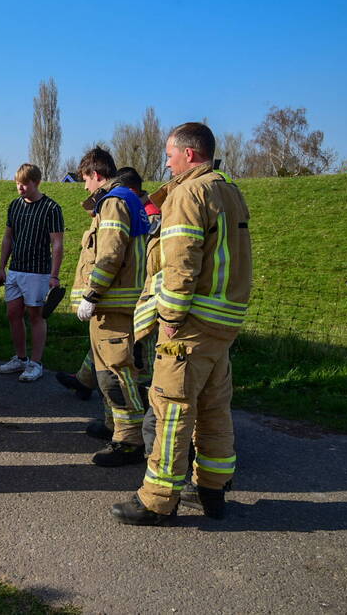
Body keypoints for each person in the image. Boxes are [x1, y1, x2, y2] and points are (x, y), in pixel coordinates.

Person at [112, 122, 252, 526]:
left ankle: (157, 501)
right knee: (214, 409)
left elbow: (181, 263)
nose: (166, 162)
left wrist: (169, 317)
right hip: (221, 322)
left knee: (172, 409)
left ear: (189, 154)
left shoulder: (189, 192)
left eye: (170, 154)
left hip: (189, 324)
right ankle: (213, 488)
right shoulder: (229, 189)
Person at [70, 148, 150, 467]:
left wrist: (92, 294)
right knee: (107, 373)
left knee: (117, 376)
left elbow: (110, 254)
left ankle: (129, 441)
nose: (85, 187)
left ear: (97, 174)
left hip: (114, 306)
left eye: (85, 180)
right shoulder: (125, 199)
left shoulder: (114, 202)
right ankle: (113, 427)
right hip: (115, 306)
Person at [0, 163, 64, 382]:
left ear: (36, 182)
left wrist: (54, 275)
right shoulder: (14, 206)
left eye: (25, 184)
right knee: (13, 313)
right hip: (15, 269)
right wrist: (1, 267)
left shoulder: (52, 208)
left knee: (36, 315)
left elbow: (58, 244)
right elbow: (8, 237)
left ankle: (36, 363)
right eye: (18, 184)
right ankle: (21, 358)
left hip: (38, 271)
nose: (20, 188)